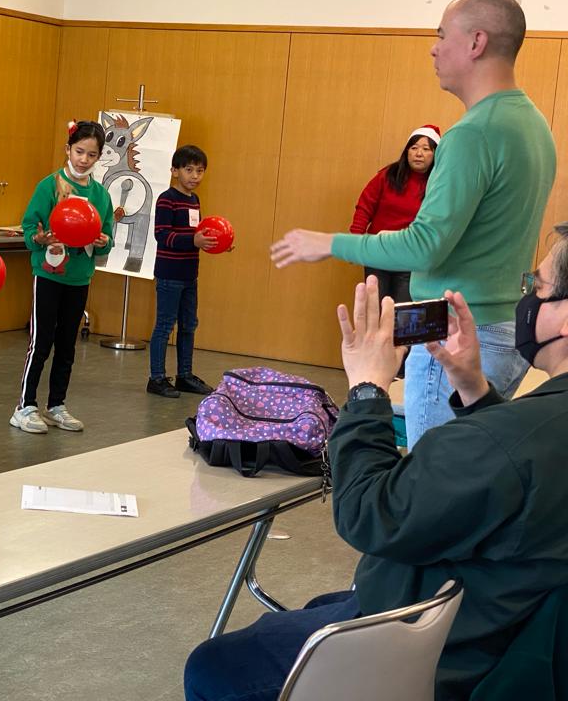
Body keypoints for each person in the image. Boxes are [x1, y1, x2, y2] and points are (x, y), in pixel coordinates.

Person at [184, 227, 568, 699]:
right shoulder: (527, 432)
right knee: (315, 608)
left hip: (442, 647)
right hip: (509, 629)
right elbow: (523, 479)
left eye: (538, 288)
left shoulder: (500, 439)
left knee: (213, 667)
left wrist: (367, 388)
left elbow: (369, 513)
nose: (526, 298)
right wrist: (473, 388)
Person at [270, 0, 557, 448]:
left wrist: (330, 242)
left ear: (476, 42)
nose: (433, 47)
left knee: (436, 484)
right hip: (499, 327)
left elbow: (425, 244)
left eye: (443, 35)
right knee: (469, 475)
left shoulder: (474, 134)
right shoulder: (532, 124)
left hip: (460, 335)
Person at [10, 120, 114, 434]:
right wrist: (38, 240)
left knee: (67, 345)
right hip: (49, 274)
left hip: (79, 276)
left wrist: (102, 241)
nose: (84, 159)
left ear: (99, 157)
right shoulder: (49, 186)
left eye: (91, 154)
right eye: (79, 151)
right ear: (68, 149)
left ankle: (57, 405)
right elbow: (30, 227)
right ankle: (25, 406)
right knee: (40, 342)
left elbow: (106, 231)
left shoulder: (100, 194)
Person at [147, 144, 220, 398]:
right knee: (165, 325)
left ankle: (184, 376)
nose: (195, 176)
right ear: (174, 171)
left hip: (190, 274)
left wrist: (217, 242)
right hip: (170, 273)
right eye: (189, 170)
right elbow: (162, 234)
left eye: (200, 171)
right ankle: (156, 378)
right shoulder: (167, 199)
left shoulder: (195, 200)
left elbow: (196, 233)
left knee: (189, 325)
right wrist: (193, 241)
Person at [349, 124, 441, 305]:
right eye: (414, 148)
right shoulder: (387, 176)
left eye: (426, 149)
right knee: (375, 308)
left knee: (402, 314)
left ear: (435, 154)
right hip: (378, 251)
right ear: (406, 152)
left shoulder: (438, 185)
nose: (419, 153)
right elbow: (365, 207)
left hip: (410, 257)